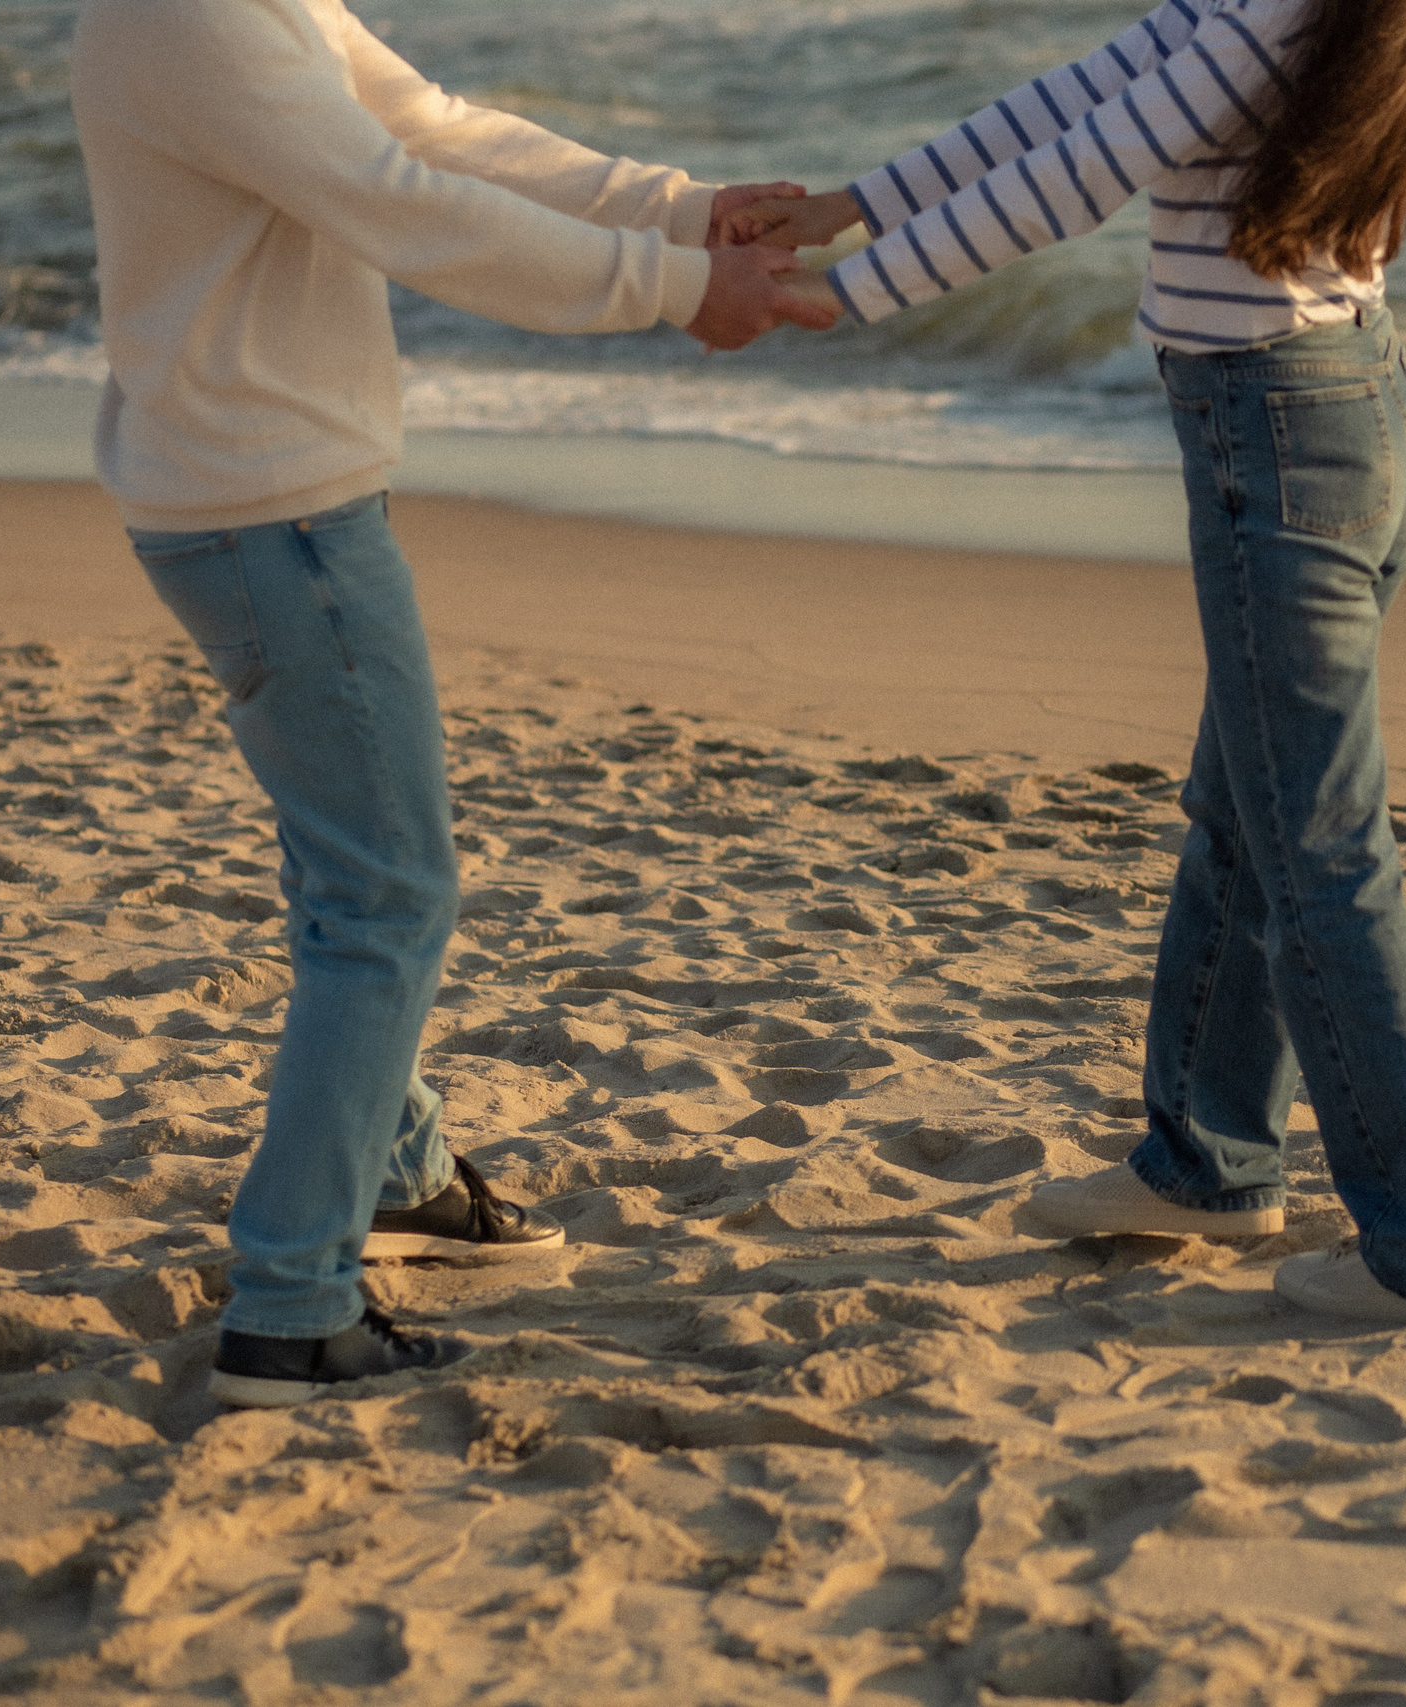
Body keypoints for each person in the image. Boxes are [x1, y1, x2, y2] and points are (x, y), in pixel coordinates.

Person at [68, 0, 837, 1407]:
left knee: (349, 879)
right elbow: (403, 205)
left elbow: (434, 127)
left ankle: (402, 1172)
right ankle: (292, 1309)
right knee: (390, 900)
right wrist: (671, 286)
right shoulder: (193, 17)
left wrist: (681, 211)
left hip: (257, 503)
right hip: (272, 519)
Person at [738, 0, 1406, 1322]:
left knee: (1319, 856)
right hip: (1328, 417)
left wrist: (843, 292)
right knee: (1249, 815)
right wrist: (851, 206)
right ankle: (1207, 1165)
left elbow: (1084, 172)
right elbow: (1074, 100)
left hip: (1280, 437)